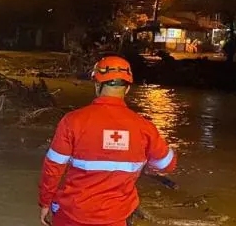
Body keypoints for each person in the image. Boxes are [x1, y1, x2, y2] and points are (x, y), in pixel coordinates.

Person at [38, 55, 176, 226]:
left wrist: (45, 202)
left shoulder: (73, 121)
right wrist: (147, 162)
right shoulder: (144, 127)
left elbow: (52, 168)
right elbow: (168, 164)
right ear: (126, 89)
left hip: (72, 215)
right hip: (116, 218)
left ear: (97, 86)